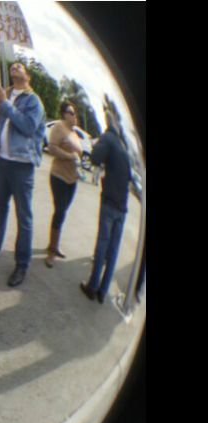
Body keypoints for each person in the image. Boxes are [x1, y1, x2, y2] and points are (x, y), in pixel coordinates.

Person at [0, 62, 47, 287]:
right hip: (3, 162)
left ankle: (22, 264)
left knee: (24, 217)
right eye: (13, 66)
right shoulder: (6, 93)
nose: (15, 67)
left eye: (20, 66)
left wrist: (4, 102)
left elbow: (28, 127)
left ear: (28, 76)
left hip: (23, 166)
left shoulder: (33, 100)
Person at [80, 108, 132, 304]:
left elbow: (94, 159)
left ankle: (92, 287)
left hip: (110, 201)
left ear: (108, 122)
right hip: (123, 204)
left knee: (102, 244)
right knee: (114, 249)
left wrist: (97, 144)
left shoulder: (108, 138)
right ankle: (103, 291)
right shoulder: (123, 145)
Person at [44, 102, 83, 268]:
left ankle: (54, 244)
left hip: (72, 180)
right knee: (59, 211)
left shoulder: (74, 133)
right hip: (59, 176)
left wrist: (78, 161)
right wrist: (69, 156)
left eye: (75, 113)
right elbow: (52, 148)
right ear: (64, 114)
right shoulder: (59, 127)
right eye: (71, 112)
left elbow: (79, 154)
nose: (74, 116)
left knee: (63, 212)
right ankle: (51, 251)